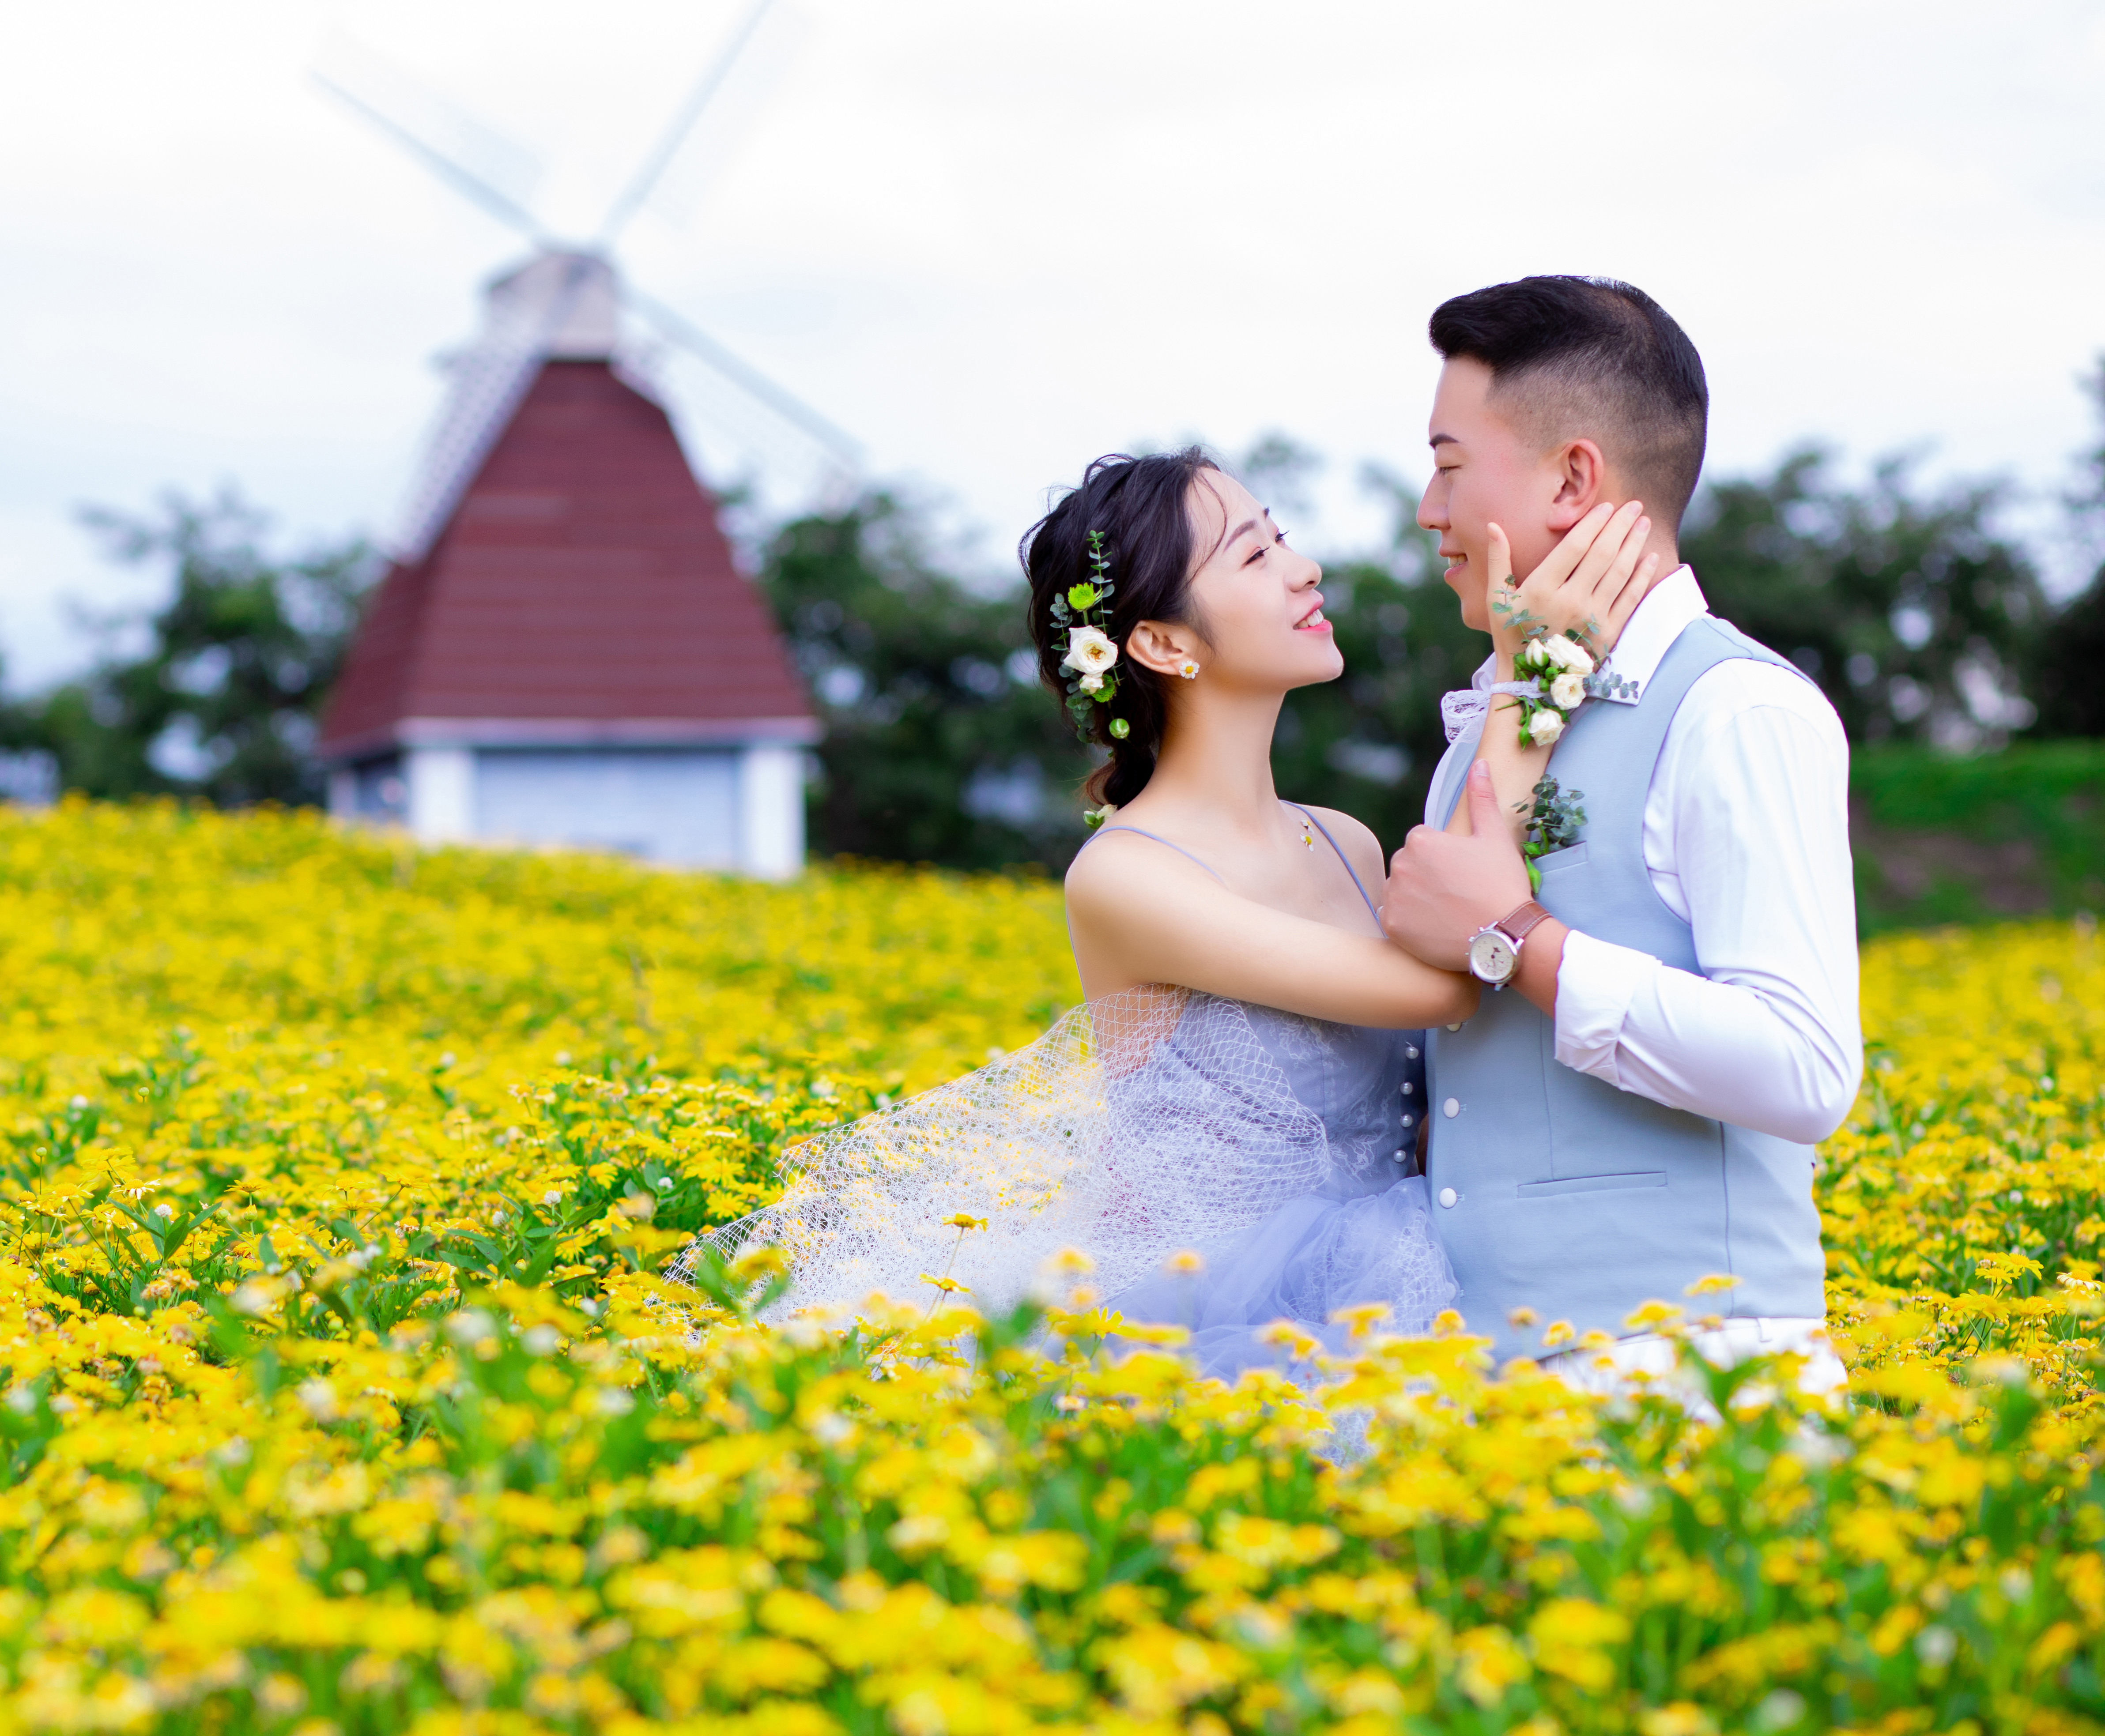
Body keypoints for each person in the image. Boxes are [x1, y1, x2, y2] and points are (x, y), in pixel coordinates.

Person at [694, 446, 1652, 1382]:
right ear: (1162, 643)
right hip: (1216, 1331)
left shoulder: (1347, 840)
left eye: (1282, 538)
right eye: (1254, 554)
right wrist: (1536, 672)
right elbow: (1448, 979)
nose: (1304, 567)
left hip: (1406, 1273)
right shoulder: (1127, 877)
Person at [1377, 277, 1857, 1394]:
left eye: (1450, 463)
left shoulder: (1735, 707)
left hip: (1687, 1375)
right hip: (1488, 1384)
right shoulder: (1493, 722)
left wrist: (1517, 933)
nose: (1427, 509)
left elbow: (1805, 1063)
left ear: (1574, 477)